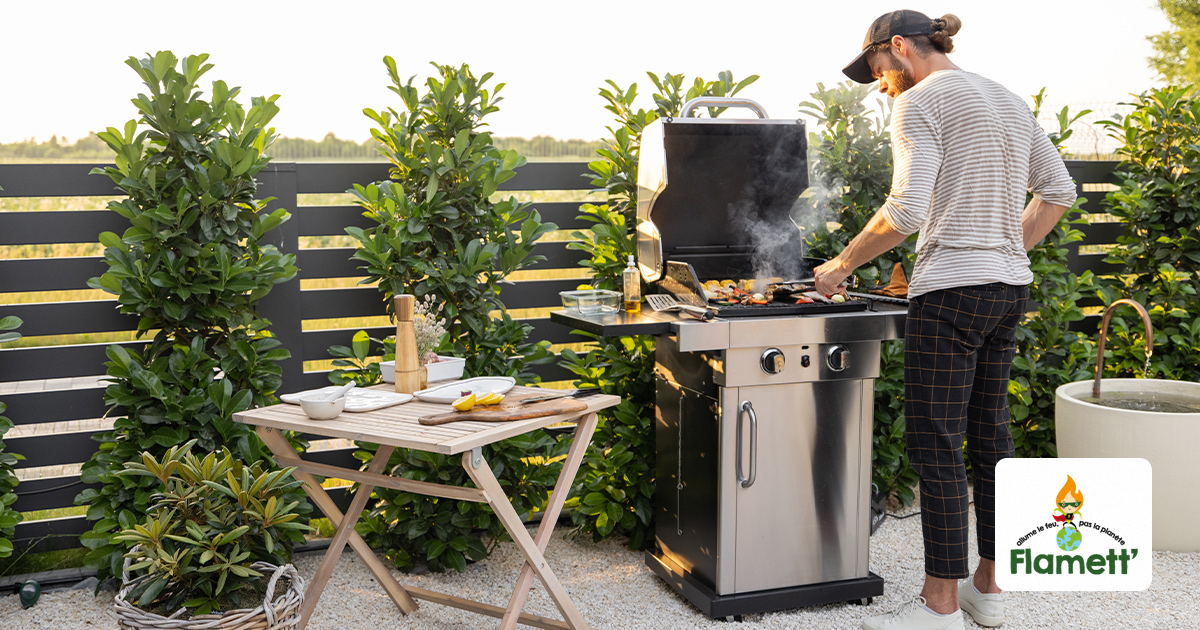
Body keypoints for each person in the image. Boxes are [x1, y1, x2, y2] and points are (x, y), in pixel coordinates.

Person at [813, 9, 1078, 630]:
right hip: (1008, 289)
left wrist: (840, 267)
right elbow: (1059, 188)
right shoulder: (1006, 98)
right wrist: (1002, 247)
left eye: (877, 70)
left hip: (952, 294)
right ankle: (989, 588)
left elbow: (905, 209)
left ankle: (938, 606)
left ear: (900, 48)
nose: (880, 86)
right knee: (991, 437)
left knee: (935, 441)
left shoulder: (919, 103)